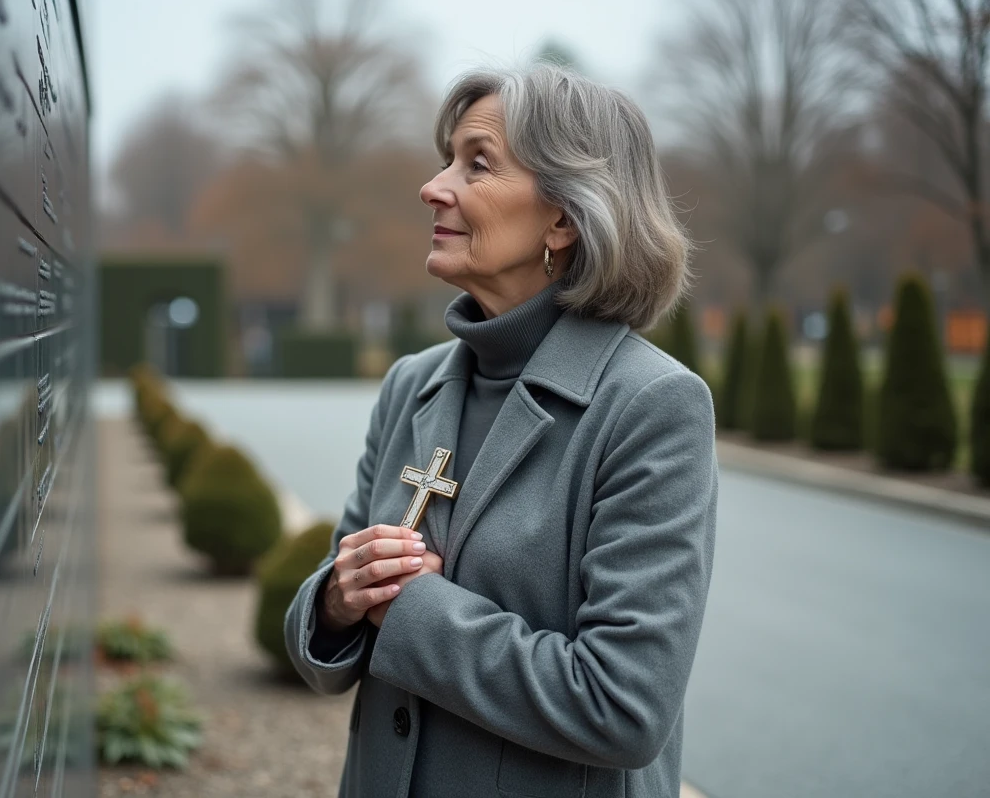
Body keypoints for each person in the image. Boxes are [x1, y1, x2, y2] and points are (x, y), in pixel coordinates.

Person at [284, 62, 718, 798]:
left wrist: (412, 609)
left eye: (476, 164)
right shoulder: (409, 386)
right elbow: (328, 646)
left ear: (564, 216)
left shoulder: (652, 407)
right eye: (446, 157)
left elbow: (624, 708)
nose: (434, 185)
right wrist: (336, 598)